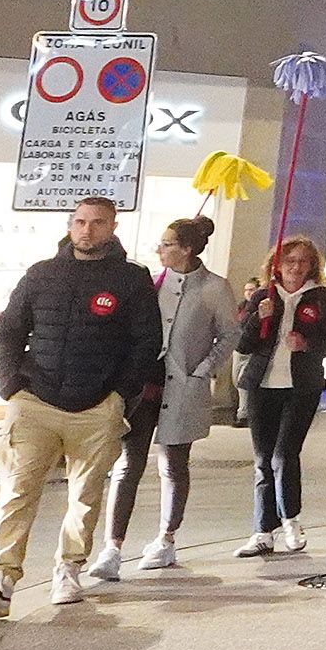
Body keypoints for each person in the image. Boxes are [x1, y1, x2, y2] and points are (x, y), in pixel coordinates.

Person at [0, 197, 158, 619]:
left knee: (85, 496)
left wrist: (120, 396)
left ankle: (69, 568)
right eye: (80, 222)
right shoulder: (41, 275)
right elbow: (10, 331)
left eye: (97, 223)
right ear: (70, 226)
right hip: (34, 401)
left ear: (113, 226)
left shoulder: (132, 280)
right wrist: (11, 385)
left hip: (98, 406)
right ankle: (1, 578)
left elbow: (146, 344)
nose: (87, 230)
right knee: (17, 489)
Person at [91, 216, 226, 580]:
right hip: (142, 388)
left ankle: (166, 539)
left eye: (167, 244)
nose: (160, 249)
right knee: (126, 466)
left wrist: (203, 368)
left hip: (182, 389)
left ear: (187, 248)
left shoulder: (215, 288)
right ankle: (112, 548)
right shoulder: (151, 283)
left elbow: (230, 335)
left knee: (173, 465)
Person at [233, 236, 326, 558]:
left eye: (303, 261)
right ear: (277, 264)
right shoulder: (264, 296)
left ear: (312, 266)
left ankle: (290, 518)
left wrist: (306, 344)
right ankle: (263, 530)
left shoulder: (321, 298)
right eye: (289, 260)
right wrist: (258, 318)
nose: (295, 266)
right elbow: (242, 345)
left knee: (284, 455)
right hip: (262, 386)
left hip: (300, 387)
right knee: (263, 460)